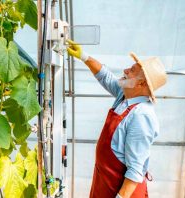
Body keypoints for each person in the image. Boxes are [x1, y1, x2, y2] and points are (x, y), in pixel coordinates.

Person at [66, 40, 167, 198]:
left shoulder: (141, 116)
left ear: (140, 83)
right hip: (105, 184)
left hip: (121, 192)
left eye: (132, 70)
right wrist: (84, 56)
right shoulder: (125, 96)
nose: (125, 70)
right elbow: (106, 77)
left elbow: (135, 170)